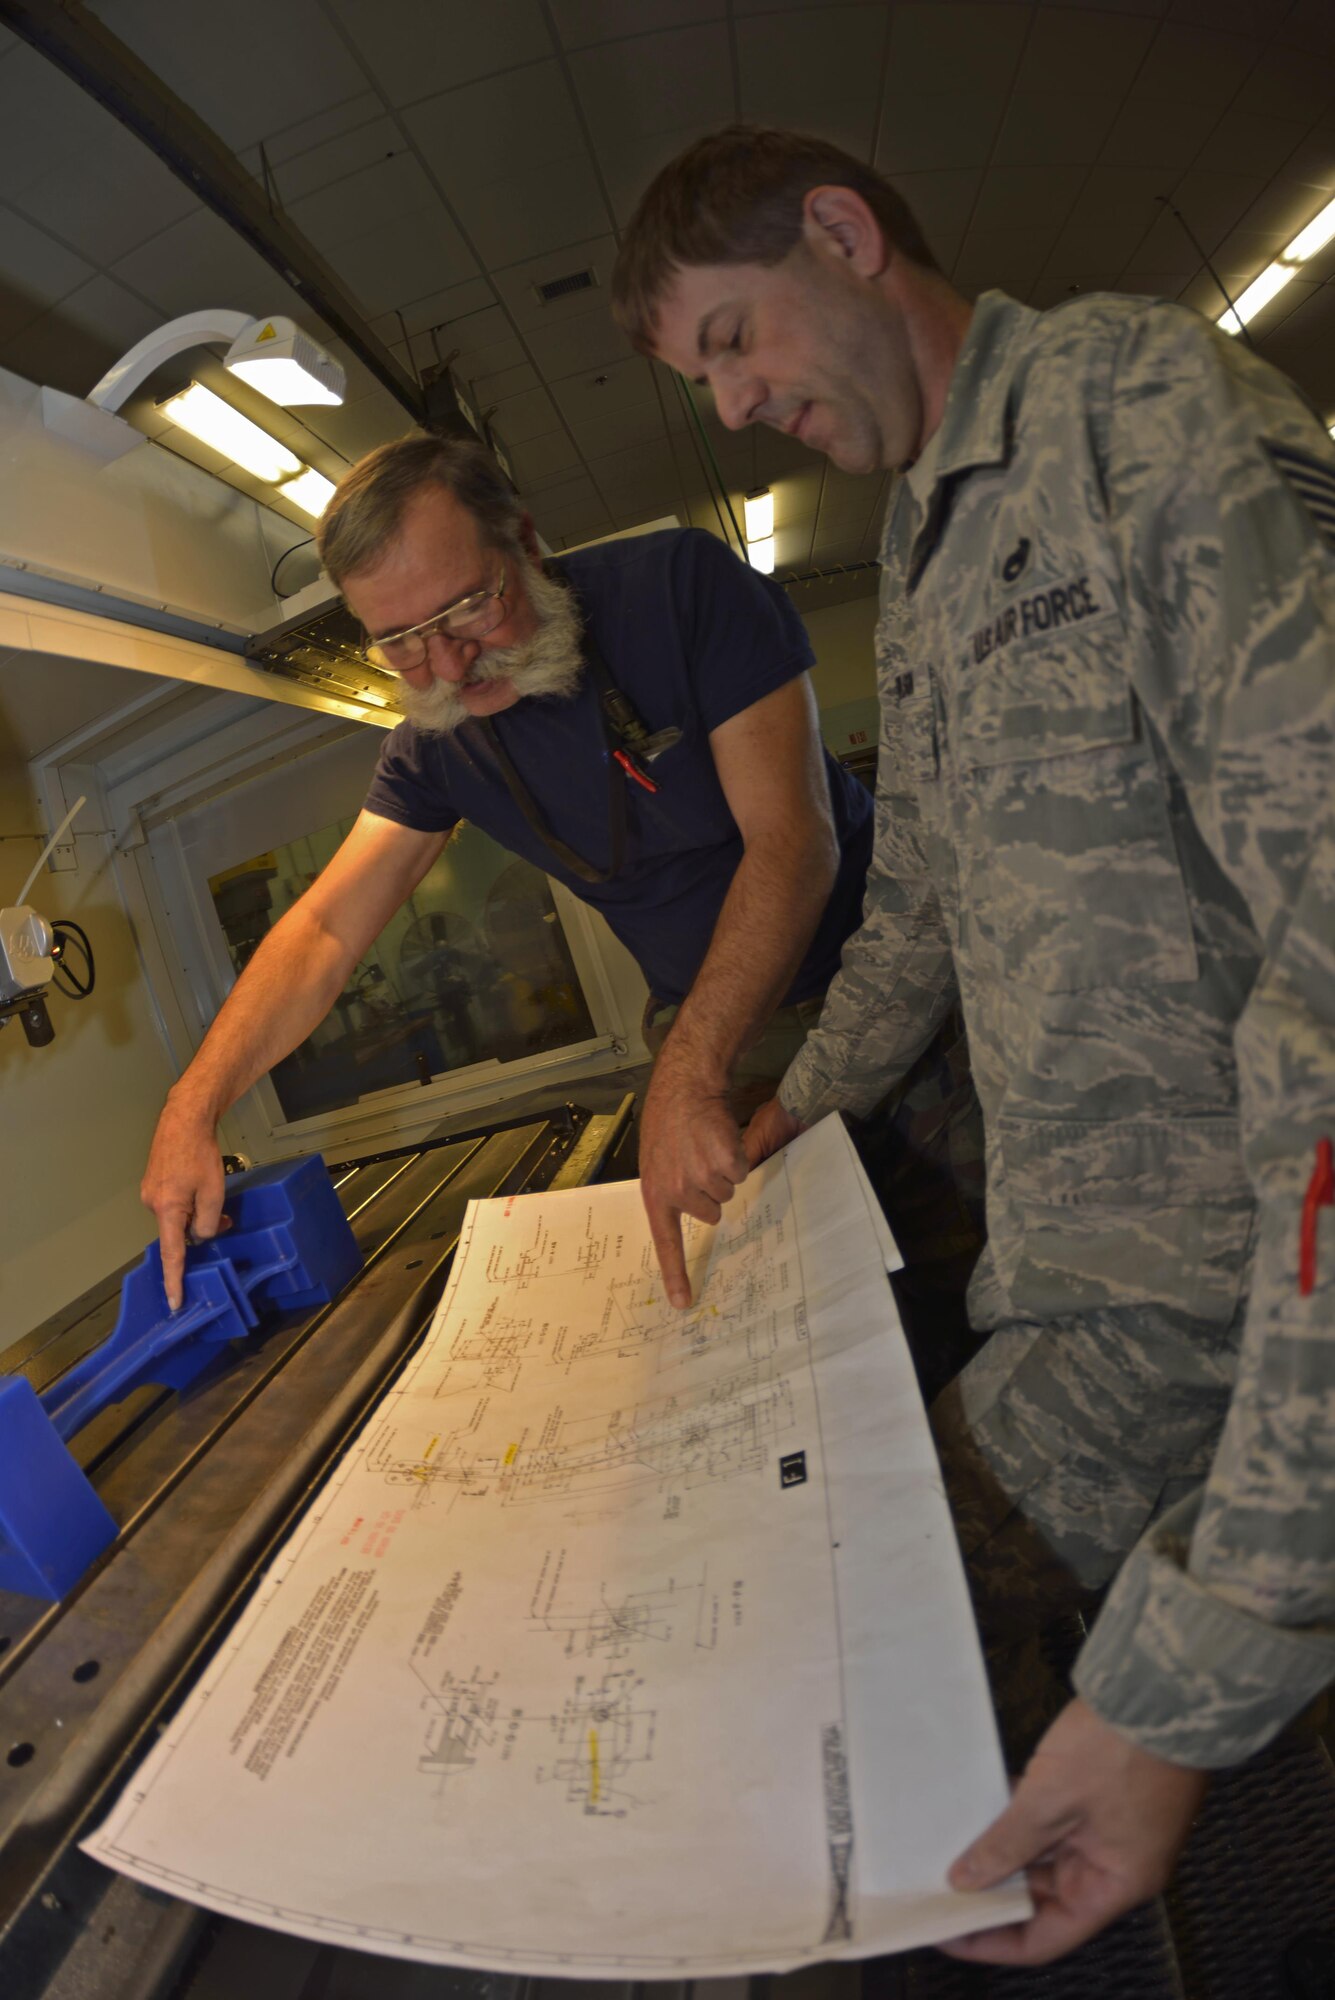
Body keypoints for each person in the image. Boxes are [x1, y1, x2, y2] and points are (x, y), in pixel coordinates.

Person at [612, 125, 1335, 1967]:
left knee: (884, 1614)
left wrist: (1201, 1661)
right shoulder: (926, 549)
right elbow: (917, 908)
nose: (735, 405)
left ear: (842, 233)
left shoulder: (1127, 408)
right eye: (705, 380)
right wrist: (782, 1115)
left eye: (731, 339)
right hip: (1073, 1269)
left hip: (1220, 1290)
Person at [141, 433, 876, 1316]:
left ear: (523, 543)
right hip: (721, 1030)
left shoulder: (678, 588)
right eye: (401, 642)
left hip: (877, 968)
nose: (448, 665)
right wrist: (193, 1104)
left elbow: (794, 845)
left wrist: (688, 1073)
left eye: (467, 609)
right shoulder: (434, 748)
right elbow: (324, 932)